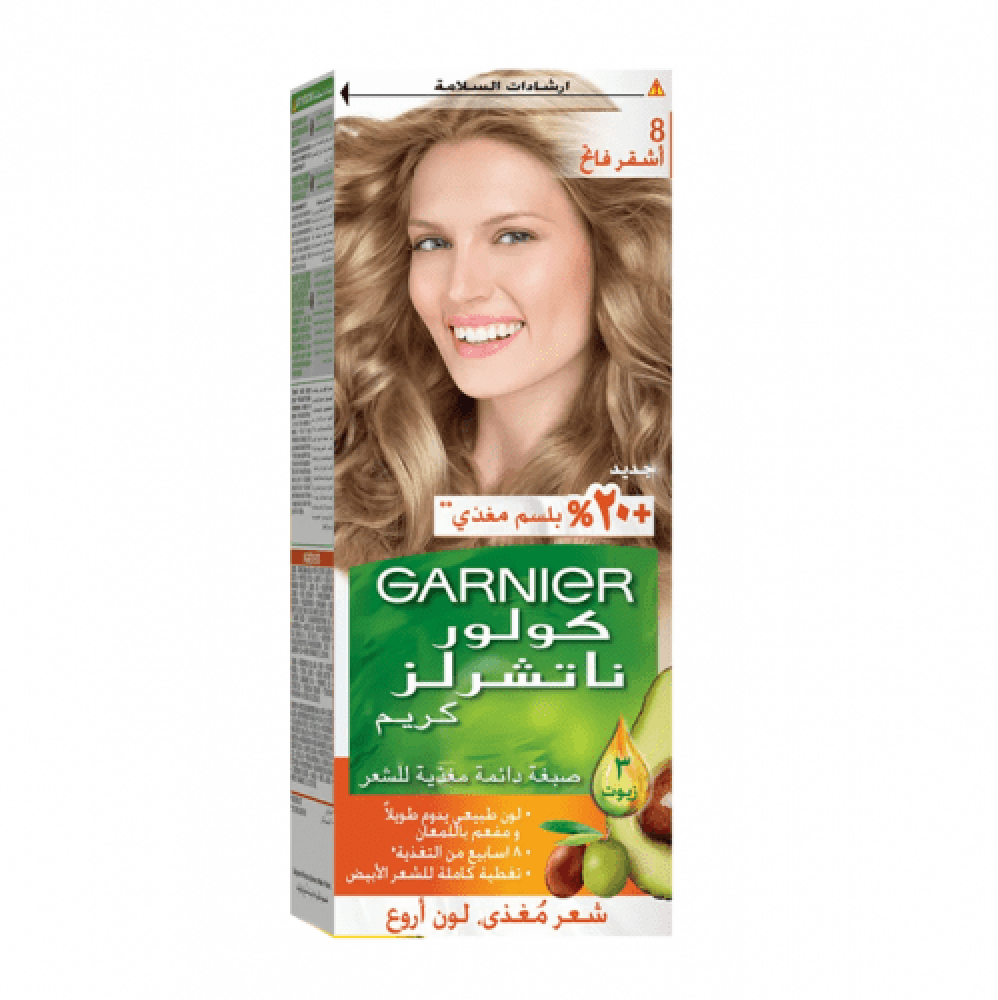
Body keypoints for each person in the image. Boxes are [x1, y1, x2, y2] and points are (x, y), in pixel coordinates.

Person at [333, 71, 671, 584]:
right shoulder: (342, 496)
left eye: (513, 236)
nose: (460, 288)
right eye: (432, 243)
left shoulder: (665, 517)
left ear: (614, 248)